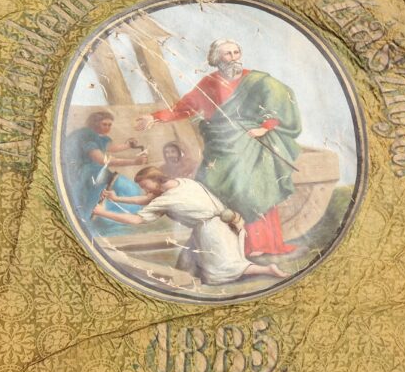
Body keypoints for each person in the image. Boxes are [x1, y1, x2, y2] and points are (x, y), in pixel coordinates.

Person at [135, 38, 302, 258]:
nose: (233, 58)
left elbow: (280, 100)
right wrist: (154, 117)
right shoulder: (209, 82)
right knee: (214, 191)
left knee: (253, 192)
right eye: (227, 54)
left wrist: (265, 127)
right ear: (216, 59)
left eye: (236, 52)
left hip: (249, 144)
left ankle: (262, 244)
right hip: (220, 146)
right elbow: (185, 108)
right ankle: (227, 246)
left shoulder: (257, 80)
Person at [92, 166, 287, 285]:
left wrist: (102, 212)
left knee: (222, 270)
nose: (143, 189)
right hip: (223, 222)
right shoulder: (182, 183)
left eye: (144, 185)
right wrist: (118, 199)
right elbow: (148, 199)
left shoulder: (166, 199)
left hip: (213, 232)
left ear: (155, 180)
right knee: (188, 262)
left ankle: (267, 270)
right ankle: (185, 280)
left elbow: (136, 219)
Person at [63, 111, 148, 227]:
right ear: (95, 123)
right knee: (99, 194)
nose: (107, 128)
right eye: (104, 124)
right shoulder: (88, 136)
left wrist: (128, 145)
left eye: (109, 125)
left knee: (124, 188)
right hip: (84, 173)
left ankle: (111, 218)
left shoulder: (98, 136)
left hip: (95, 170)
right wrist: (134, 161)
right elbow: (102, 160)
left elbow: (110, 147)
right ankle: (88, 220)